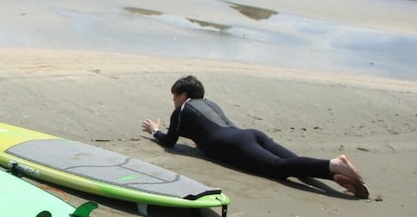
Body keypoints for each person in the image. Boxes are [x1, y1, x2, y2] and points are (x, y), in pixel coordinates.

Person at [141, 75, 369, 198]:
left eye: (174, 96)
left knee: (279, 168)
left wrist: (155, 130)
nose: (173, 100)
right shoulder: (211, 104)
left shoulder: (182, 110)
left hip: (234, 145)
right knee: (293, 165)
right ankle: (338, 179)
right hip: (250, 135)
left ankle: (334, 164)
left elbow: (170, 142)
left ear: (183, 94)